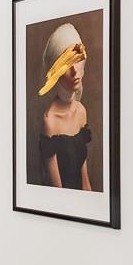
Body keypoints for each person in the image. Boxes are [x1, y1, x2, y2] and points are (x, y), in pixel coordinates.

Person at [36, 23, 93, 191]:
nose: (75, 71)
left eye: (77, 60)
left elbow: (85, 180)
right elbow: (57, 191)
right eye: (67, 64)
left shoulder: (81, 112)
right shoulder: (50, 122)